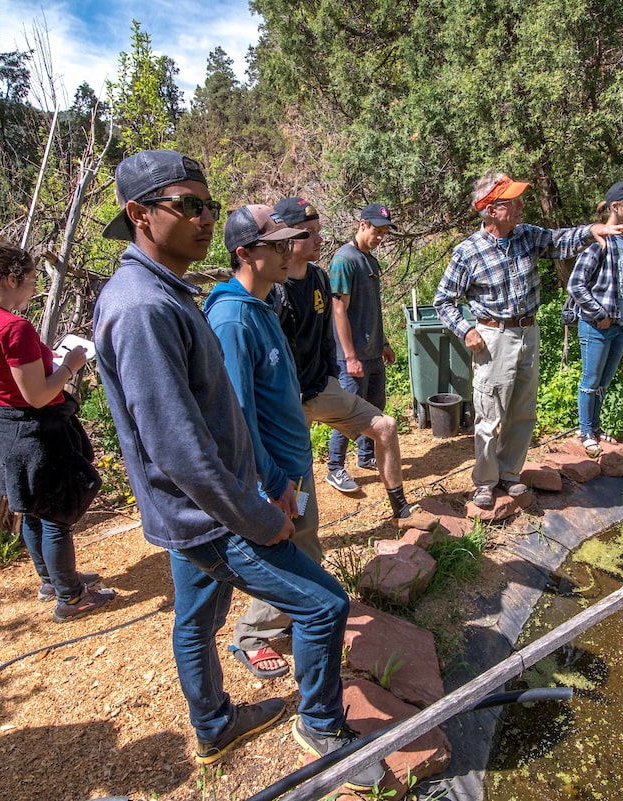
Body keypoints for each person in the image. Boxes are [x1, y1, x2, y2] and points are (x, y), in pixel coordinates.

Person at [92, 150, 385, 789]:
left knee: (196, 619)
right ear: (139, 215)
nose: (205, 217)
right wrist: (258, 511)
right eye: (188, 205)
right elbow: (178, 447)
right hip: (211, 515)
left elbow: (212, 416)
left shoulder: (166, 293)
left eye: (208, 203)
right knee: (324, 604)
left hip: (196, 510)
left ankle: (215, 725)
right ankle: (321, 725)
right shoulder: (143, 307)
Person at [433, 171, 623, 510]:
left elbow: (558, 241)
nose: (522, 205)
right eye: (514, 201)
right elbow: (443, 300)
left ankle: (510, 474)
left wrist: (591, 231)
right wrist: (466, 330)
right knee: (489, 414)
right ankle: (484, 481)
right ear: (493, 209)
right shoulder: (468, 252)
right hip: (492, 337)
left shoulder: (525, 236)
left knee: (522, 412)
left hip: (529, 332)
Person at [0, 236, 113, 622]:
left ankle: (52, 580)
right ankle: (71, 598)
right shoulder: (13, 328)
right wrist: (70, 364)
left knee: (33, 509)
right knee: (57, 512)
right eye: (30, 279)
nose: (35, 287)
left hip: (2, 425)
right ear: (10, 279)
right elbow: (38, 395)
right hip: (37, 431)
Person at [203, 204, 318, 680]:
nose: (291, 249)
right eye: (278, 244)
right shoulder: (232, 319)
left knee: (307, 548)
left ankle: (293, 618)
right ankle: (254, 633)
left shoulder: (263, 304)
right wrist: (272, 481)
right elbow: (238, 415)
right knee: (288, 558)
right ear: (246, 253)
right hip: (276, 476)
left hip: (293, 467)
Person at [272, 196, 413, 520]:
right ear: (284, 238)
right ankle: (293, 527)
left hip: (321, 388)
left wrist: (332, 375)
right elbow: (337, 315)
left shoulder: (320, 277)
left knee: (385, 426)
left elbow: (323, 336)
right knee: (296, 475)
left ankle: (401, 511)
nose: (319, 239)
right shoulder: (273, 289)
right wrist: (349, 358)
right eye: (308, 233)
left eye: (318, 231)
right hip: (287, 401)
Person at [568, 180, 623, 456]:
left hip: (622, 324)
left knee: (604, 381)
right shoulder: (598, 240)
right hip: (598, 326)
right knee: (591, 380)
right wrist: (599, 315)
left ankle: (596, 427)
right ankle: (584, 431)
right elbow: (576, 284)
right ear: (616, 206)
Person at [325, 204, 397, 494]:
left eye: (384, 233)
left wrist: (384, 343)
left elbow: (373, 310)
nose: (380, 237)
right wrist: (350, 356)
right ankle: (335, 468)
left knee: (374, 408)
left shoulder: (370, 261)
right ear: (362, 224)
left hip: (373, 352)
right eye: (377, 231)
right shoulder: (345, 259)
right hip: (351, 356)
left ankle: (366, 456)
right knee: (347, 413)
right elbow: (338, 310)